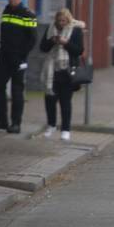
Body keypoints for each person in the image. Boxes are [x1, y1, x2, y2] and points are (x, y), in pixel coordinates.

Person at [0, 0, 37, 134]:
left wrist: (22, 56)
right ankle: (1, 121)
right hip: (4, 57)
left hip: (18, 59)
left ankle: (16, 124)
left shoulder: (27, 14)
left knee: (17, 91)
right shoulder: (6, 11)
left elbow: (32, 39)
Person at [40, 9, 85, 141]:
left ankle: (66, 129)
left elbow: (79, 50)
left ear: (69, 20)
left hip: (67, 70)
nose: (61, 24)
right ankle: (51, 125)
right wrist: (52, 41)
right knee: (50, 99)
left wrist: (66, 43)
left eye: (64, 21)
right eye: (59, 21)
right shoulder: (50, 29)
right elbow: (42, 47)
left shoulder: (76, 30)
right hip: (51, 70)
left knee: (65, 101)